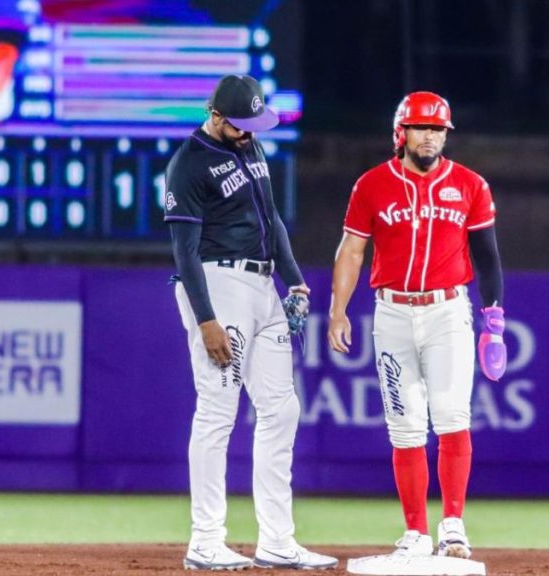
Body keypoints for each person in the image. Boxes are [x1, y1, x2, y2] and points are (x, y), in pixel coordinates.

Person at [165, 74, 337, 571]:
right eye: (240, 125)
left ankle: (277, 540)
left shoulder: (251, 148)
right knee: (218, 409)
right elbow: (184, 251)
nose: (249, 132)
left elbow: (272, 218)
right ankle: (204, 539)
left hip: (263, 288)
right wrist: (206, 320)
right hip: (218, 286)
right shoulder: (189, 165)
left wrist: (295, 280)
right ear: (215, 116)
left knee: (281, 410)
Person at [327, 91, 506, 560]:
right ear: (400, 132)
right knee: (404, 427)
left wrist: (494, 317)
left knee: (451, 415)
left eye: (437, 129)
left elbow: (488, 258)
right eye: (421, 127)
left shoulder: (470, 185)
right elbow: (352, 249)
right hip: (392, 312)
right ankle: (415, 532)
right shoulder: (371, 185)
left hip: (448, 310)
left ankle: (453, 526)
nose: (429, 136)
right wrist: (337, 309)